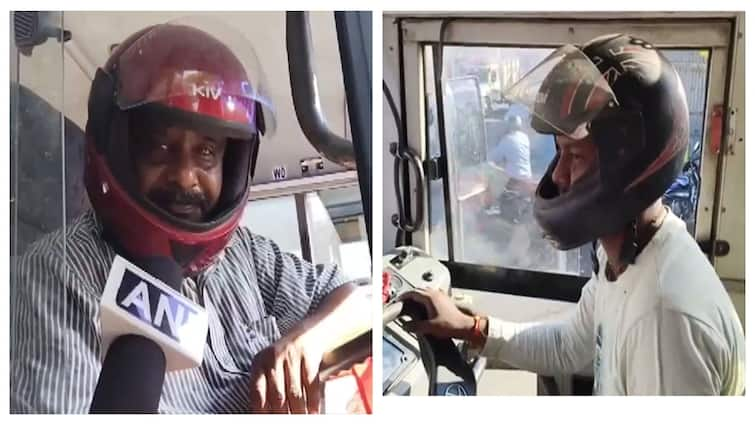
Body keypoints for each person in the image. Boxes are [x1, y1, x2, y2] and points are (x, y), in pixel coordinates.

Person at [10, 20, 365, 413]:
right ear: (121, 150)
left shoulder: (243, 255)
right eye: (161, 148)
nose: (185, 176)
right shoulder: (58, 275)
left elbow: (350, 295)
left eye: (207, 153)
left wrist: (305, 341)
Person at [401, 34, 745, 395]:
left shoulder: (663, 319)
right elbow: (571, 345)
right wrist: (471, 328)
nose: (558, 176)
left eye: (576, 156)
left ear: (627, 166)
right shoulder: (626, 254)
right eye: (559, 152)